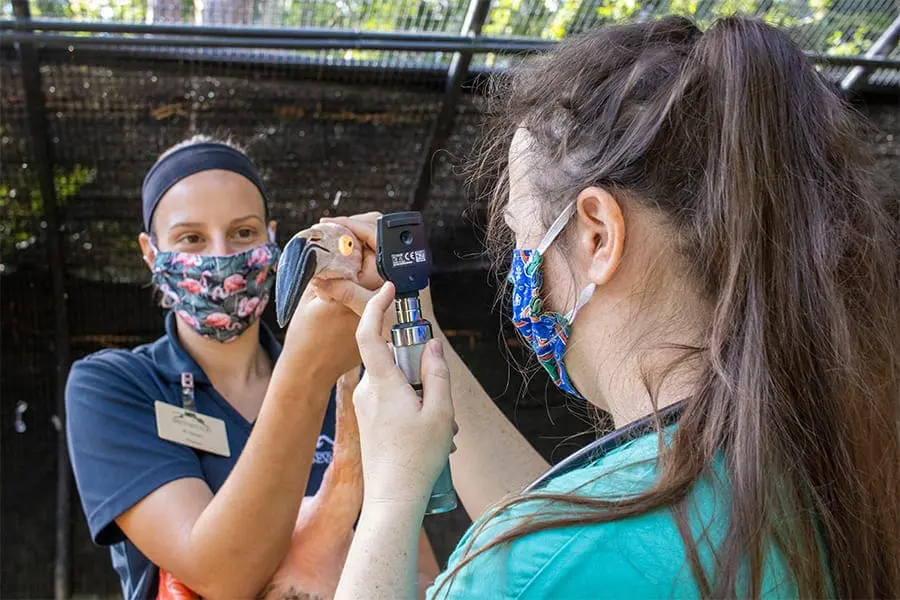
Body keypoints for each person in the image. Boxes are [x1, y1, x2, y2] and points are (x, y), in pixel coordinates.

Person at [314, 16, 900, 600]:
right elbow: (567, 539)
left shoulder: (527, 573)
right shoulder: (820, 468)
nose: (521, 265)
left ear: (597, 235)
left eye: (523, 236)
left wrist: (391, 499)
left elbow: (546, 567)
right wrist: (420, 336)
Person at [65, 135, 439, 600]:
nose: (221, 257)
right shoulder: (115, 386)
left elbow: (420, 574)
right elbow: (219, 576)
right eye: (192, 238)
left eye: (243, 233)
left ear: (272, 238)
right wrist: (306, 371)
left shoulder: (351, 385)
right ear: (150, 251)